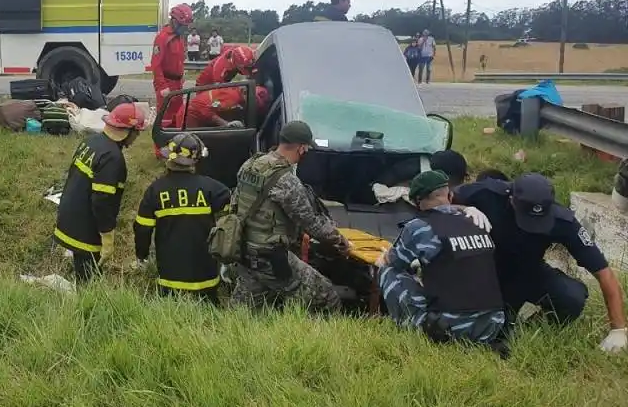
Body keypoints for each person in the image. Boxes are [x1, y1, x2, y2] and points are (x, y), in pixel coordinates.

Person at [453, 173, 627, 353]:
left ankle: (532, 328)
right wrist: (461, 209)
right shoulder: (487, 193)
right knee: (490, 334)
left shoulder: (562, 221)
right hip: (483, 269)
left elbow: (604, 272)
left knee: (572, 297)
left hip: (526, 272)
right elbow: (436, 202)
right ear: (512, 200)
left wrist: (618, 329)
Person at [378, 170, 508, 355]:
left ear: (416, 202)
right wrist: (464, 207)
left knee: (387, 271)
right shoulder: (478, 220)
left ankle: (411, 331)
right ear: (450, 195)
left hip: (449, 328)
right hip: (491, 326)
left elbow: (395, 262)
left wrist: (383, 259)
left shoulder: (419, 227)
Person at [230, 121, 353, 314]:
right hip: (270, 257)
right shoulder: (286, 181)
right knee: (327, 296)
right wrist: (340, 241)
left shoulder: (251, 164)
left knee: (243, 314)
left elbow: (236, 202)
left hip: (244, 250)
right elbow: (312, 224)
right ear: (302, 148)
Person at [133, 133, 231, 305]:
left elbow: (142, 228)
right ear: (196, 161)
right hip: (206, 276)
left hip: (170, 277)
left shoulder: (155, 191)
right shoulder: (212, 188)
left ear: (168, 159)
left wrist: (142, 255)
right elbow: (232, 216)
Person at [54, 103, 146, 282]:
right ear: (128, 131)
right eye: (137, 132)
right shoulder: (113, 158)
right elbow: (102, 202)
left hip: (69, 216)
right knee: (88, 280)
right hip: (85, 228)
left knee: (84, 269)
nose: (137, 137)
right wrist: (107, 236)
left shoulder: (91, 142)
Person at [151, 3, 193, 157]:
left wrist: (181, 78)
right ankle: (160, 150)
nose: (185, 28)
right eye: (183, 25)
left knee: (178, 117)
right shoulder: (162, 37)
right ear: (174, 21)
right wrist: (162, 86)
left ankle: (174, 146)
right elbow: (156, 64)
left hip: (177, 83)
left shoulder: (180, 37)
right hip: (166, 83)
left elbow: (179, 60)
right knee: (164, 119)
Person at [175, 85, 269, 129]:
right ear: (245, 93)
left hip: (193, 113)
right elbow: (205, 110)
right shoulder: (233, 98)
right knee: (187, 147)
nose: (253, 104)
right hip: (189, 115)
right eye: (255, 101)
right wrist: (225, 124)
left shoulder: (236, 94)